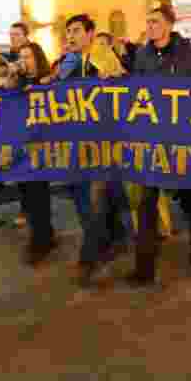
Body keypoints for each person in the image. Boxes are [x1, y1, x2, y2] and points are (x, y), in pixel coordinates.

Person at [126, 5, 191, 284]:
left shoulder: (187, 52)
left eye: (155, 22)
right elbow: (136, 88)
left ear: (169, 25)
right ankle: (144, 267)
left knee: (190, 198)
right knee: (146, 201)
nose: (150, 26)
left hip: (182, 138)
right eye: (147, 22)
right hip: (152, 138)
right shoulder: (141, 54)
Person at [62, 15, 132, 287]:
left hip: (104, 144)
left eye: (77, 30)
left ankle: (88, 259)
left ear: (91, 34)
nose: (71, 35)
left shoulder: (103, 57)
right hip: (81, 142)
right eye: (68, 31)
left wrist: (112, 80)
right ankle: (117, 237)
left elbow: (121, 90)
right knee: (100, 196)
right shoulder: (73, 63)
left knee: (94, 199)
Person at [11, 42, 58, 265]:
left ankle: (41, 241)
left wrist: (40, 88)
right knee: (28, 195)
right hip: (22, 145)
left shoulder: (47, 80)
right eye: (21, 57)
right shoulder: (19, 82)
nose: (24, 61)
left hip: (41, 145)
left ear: (38, 58)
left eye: (28, 56)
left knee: (38, 193)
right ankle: (43, 234)